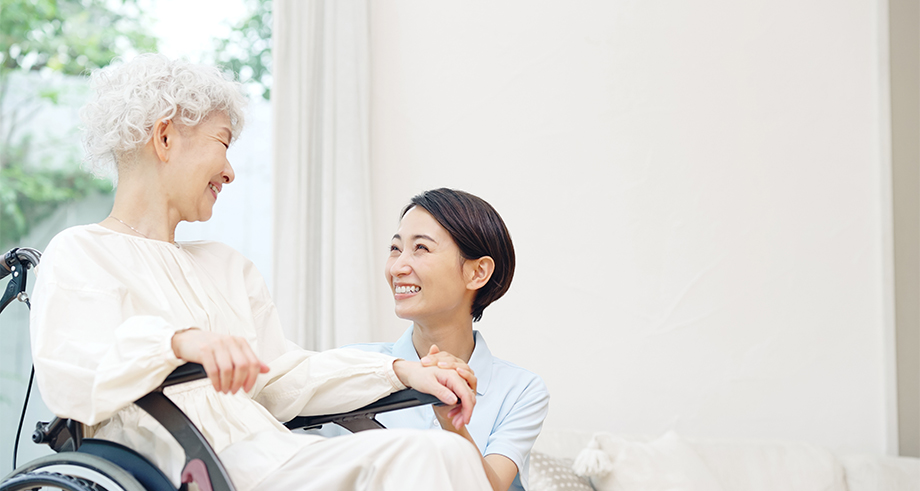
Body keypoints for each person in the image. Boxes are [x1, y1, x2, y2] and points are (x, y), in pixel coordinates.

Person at [29, 54, 490, 491]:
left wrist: (399, 371)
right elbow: (76, 372)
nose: (230, 172)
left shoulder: (226, 265)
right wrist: (180, 343)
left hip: (271, 456)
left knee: (447, 454)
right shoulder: (82, 251)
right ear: (165, 137)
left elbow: (283, 375)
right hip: (193, 470)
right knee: (429, 456)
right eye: (223, 143)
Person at [319, 189, 549, 491]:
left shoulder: (521, 391)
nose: (398, 267)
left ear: (477, 272)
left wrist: (451, 419)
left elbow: (491, 487)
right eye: (395, 248)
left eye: (421, 249)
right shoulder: (354, 365)